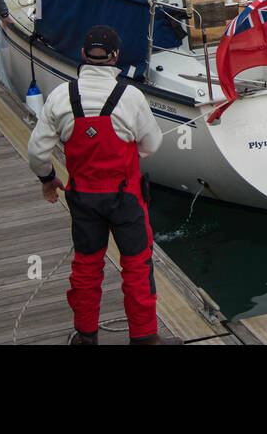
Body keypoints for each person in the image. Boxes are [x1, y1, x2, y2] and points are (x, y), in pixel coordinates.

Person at [28, 26, 171, 346]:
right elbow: (151, 145)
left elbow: (37, 153)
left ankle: (86, 337)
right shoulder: (130, 97)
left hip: (83, 199)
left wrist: (49, 181)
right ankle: (145, 338)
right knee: (136, 267)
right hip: (126, 199)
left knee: (86, 268)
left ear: (83, 55)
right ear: (115, 57)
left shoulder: (60, 96)